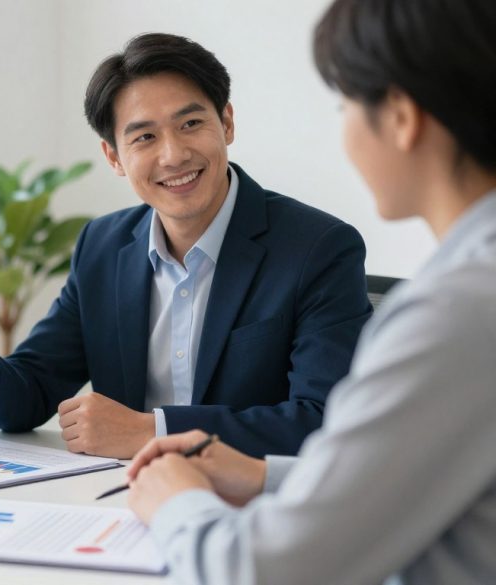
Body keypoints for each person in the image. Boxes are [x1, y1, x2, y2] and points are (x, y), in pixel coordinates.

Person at [125, 0, 496, 583]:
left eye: (344, 103)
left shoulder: (456, 313)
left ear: (400, 117)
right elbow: (400, 473)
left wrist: (174, 499)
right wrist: (261, 474)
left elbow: (266, 571)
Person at [0, 33, 372, 459]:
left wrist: (152, 431)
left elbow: (323, 420)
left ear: (226, 123)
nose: (173, 155)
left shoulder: (319, 248)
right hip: (117, 503)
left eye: (190, 124)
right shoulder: (102, 245)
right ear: (114, 157)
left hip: (250, 508)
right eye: (144, 136)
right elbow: (37, 389)